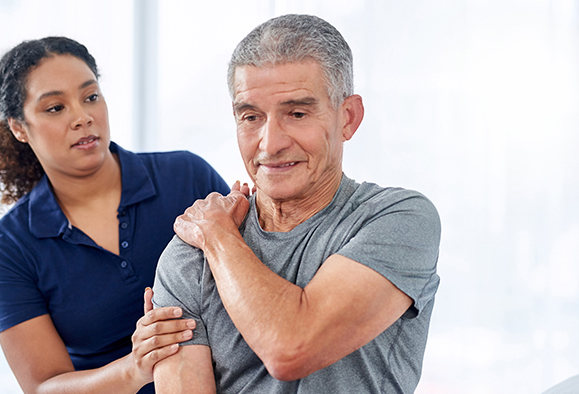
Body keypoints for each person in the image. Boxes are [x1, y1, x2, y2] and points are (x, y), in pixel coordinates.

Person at [151, 14, 441, 393]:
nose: (270, 144)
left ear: (348, 118)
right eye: (251, 116)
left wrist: (219, 237)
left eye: (297, 113)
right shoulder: (188, 255)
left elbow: (291, 349)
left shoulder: (399, 219)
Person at [0, 36, 230, 394]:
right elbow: (43, 388)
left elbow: (254, 274)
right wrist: (135, 367)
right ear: (19, 128)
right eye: (55, 108)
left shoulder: (186, 176)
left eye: (90, 97)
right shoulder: (8, 247)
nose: (82, 117)